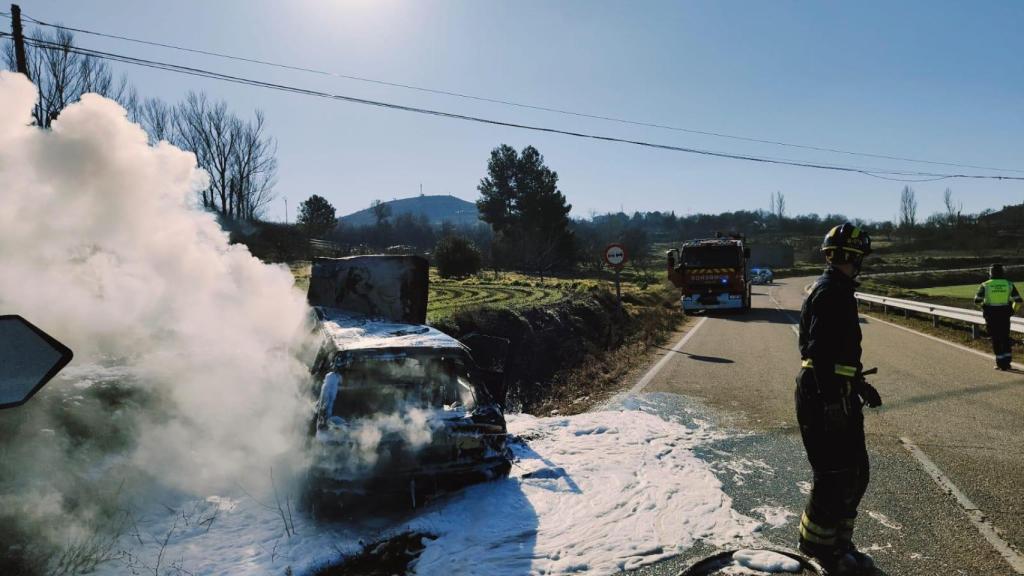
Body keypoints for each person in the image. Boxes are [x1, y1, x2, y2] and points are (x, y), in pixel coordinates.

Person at [795, 222, 882, 575]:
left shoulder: (837, 289)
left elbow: (835, 354)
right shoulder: (832, 292)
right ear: (853, 258)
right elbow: (818, 353)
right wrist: (832, 398)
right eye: (859, 258)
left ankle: (838, 544)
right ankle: (816, 549)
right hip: (823, 396)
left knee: (856, 474)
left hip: (837, 393)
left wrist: (858, 384)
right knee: (834, 476)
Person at [974, 264, 1022, 371]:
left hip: (991, 315)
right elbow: (1018, 301)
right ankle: (1007, 363)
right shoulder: (1009, 284)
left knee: (996, 338)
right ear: (1002, 272)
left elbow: (977, 300)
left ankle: (1000, 363)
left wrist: (984, 308)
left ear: (990, 273)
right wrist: (1012, 310)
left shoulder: (985, 285)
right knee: (1005, 337)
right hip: (1005, 315)